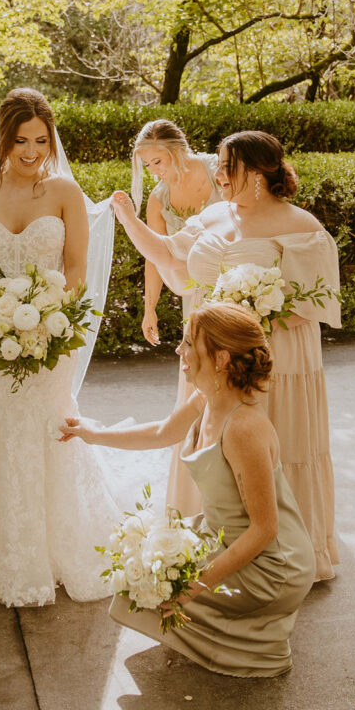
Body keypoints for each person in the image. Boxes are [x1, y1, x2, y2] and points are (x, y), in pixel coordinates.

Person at [111, 130, 340, 581]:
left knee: (281, 443)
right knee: (208, 443)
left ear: (256, 173)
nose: (218, 175)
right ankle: (210, 546)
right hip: (211, 356)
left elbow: (314, 303)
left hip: (278, 357)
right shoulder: (213, 216)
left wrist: (255, 308)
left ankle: (286, 551)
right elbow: (166, 255)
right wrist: (127, 219)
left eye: (226, 166)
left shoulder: (303, 226)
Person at [0, 88, 118, 607]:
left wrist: (52, 317)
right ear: (4, 138)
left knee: (42, 427)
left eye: (40, 139)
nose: (31, 150)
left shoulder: (64, 194)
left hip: (49, 331)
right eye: (21, 139)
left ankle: (48, 552)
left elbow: (75, 267)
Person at [60, 303, 316, 677]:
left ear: (221, 358)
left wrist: (193, 586)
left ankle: (252, 641)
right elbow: (163, 433)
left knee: (152, 585)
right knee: (137, 575)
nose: (179, 351)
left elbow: (265, 530)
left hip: (272, 565)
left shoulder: (244, 428)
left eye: (187, 343)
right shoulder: (206, 399)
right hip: (223, 537)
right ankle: (237, 635)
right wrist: (91, 433)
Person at [131, 119, 221, 516]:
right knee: (201, 378)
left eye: (158, 161)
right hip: (197, 297)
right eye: (148, 166)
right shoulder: (158, 199)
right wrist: (150, 307)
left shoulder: (221, 170)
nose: (155, 171)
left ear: (178, 149)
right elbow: (155, 255)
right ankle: (199, 494)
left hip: (238, 283)